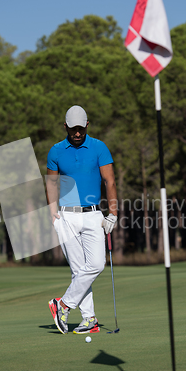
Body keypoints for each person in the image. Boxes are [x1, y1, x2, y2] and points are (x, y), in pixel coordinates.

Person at [46, 105, 118, 335]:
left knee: (96, 265)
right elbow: (51, 182)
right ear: (65, 126)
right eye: (72, 129)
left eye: (80, 128)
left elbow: (110, 181)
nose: (77, 133)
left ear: (87, 125)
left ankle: (63, 305)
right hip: (65, 215)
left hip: (94, 214)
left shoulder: (99, 147)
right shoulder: (56, 151)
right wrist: (52, 210)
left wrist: (113, 213)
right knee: (78, 270)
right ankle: (90, 320)